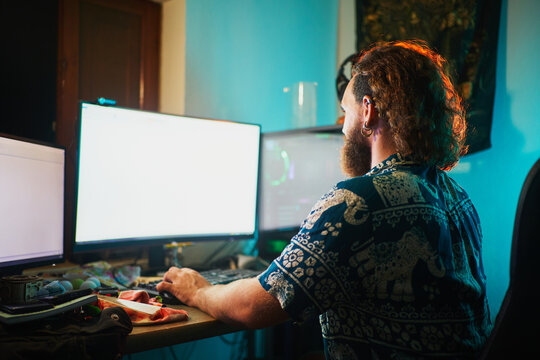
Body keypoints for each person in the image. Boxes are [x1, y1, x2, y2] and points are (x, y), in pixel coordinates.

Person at [157, 40, 492, 359]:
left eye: (345, 111)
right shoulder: (457, 197)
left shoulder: (359, 202)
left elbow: (254, 307)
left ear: (367, 110)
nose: (341, 126)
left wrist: (198, 290)